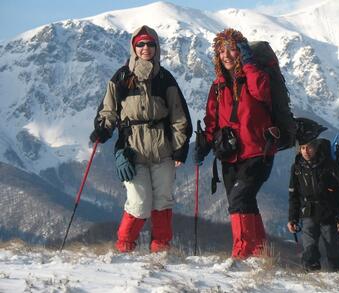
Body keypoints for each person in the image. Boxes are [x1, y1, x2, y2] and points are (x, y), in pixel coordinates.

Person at [89, 25, 191, 253]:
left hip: (162, 150)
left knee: (163, 200)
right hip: (132, 150)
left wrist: (180, 148)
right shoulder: (122, 77)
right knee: (139, 203)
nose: (146, 48)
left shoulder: (165, 78)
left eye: (150, 44)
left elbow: (178, 115)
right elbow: (109, 109)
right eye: (141, 44)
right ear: (134, 47)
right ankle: (124, 246)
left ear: (157, 47)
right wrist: (102, 130)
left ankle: (161, 249)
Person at [194, 28, 276, 259]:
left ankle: (241, 253)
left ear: (241, 51)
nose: (227, 55)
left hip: (258, 151)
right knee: (242, 201)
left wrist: (249, 63)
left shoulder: (254, 77)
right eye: (222, 51)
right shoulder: (217, 87)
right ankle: (260, 253)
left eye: (232, 49)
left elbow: (261, 93)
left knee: (240, 200)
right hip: (229, 154)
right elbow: (212, 121)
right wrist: (203, 145)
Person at [287, 137, 339, 272]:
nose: (306, 151)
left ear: (316, 148)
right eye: (303, 147)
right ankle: (312, 279)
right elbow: (294, 196)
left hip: (329, 213)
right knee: (309, 250)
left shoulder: (330, 166)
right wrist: (292, 218)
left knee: (333, 250)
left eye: (309, 147)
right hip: (308, 212)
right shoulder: (297, 168)